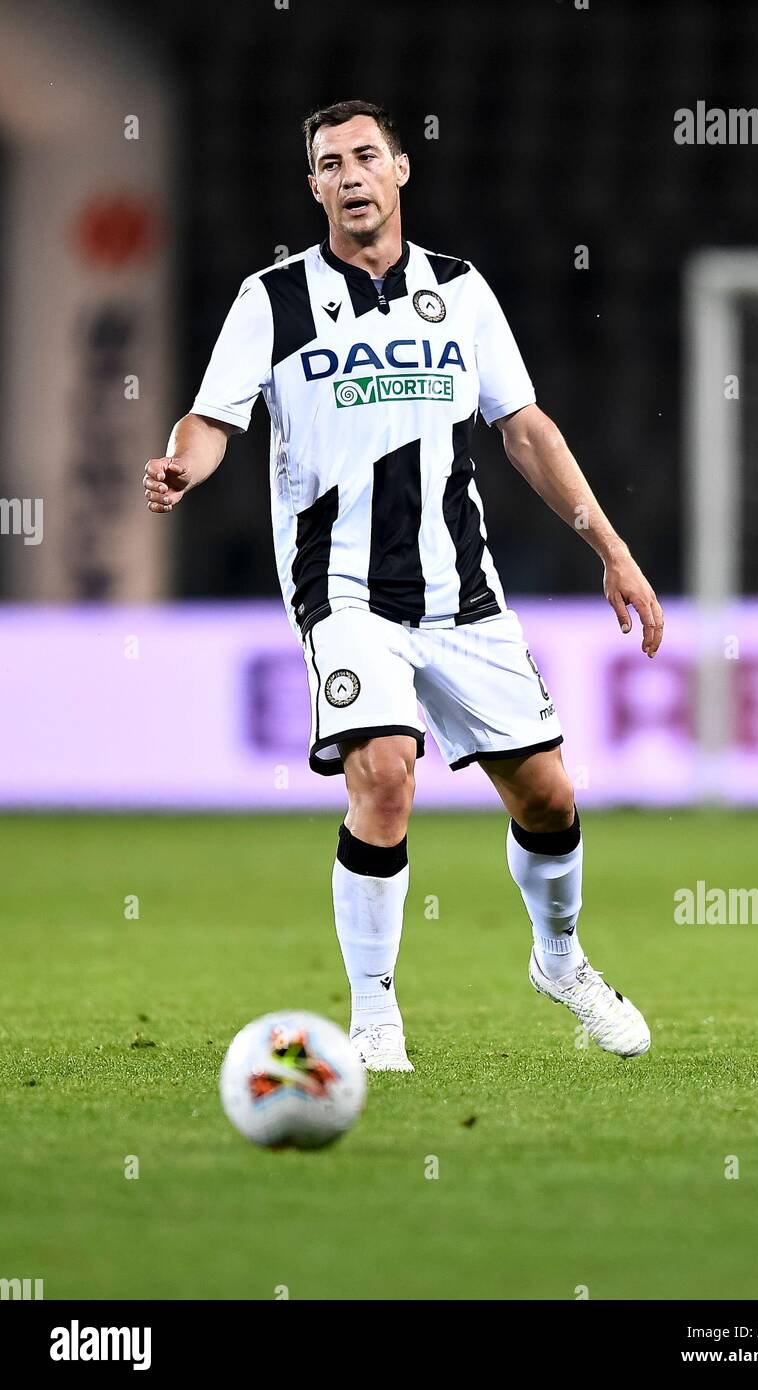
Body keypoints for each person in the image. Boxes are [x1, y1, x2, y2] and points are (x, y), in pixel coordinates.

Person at [143, 99, 664, 1072]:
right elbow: (211, 419)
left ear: (398, 171)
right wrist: (180, 464)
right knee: (382, 773)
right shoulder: (274, 299)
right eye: (329, 161)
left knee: (547, 799)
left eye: (364, 155)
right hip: (339, 586)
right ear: (313, 187)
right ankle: (375, 1011)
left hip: (460, 589)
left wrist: (611, 548)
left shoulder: (458, 293)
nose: (348, 173)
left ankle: (558, 961)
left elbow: (522, 427)